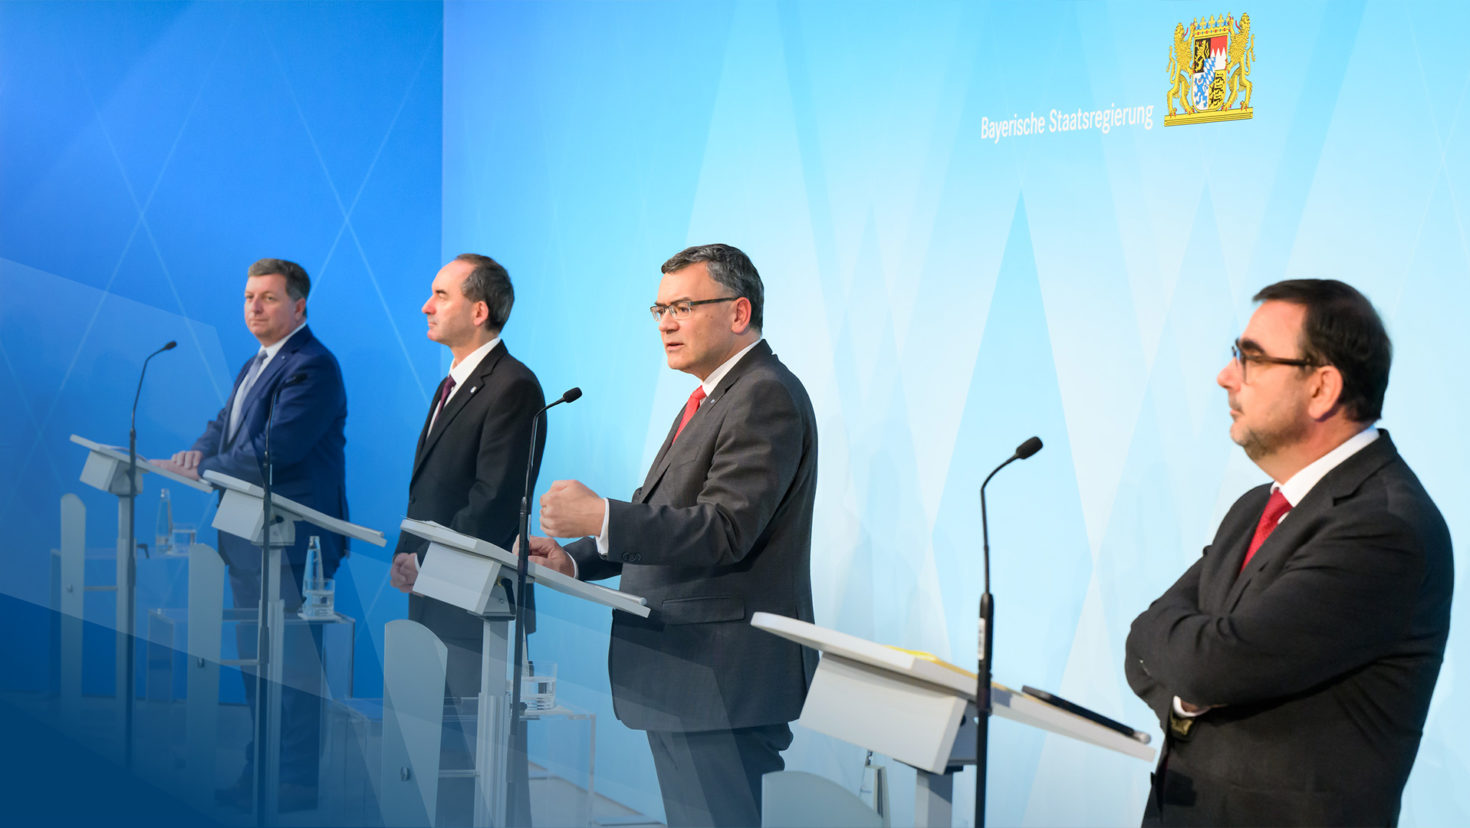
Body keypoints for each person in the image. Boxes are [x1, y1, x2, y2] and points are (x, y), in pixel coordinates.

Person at [1125, 279, 1453, 826]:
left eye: (1251, 359)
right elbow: (1143, 638)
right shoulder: (1256, 507)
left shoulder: (1384, 528)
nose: (1226, 376)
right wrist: (1186, 696)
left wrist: (1197, 673)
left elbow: (1213, 662)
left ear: (1322, 388)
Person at [527, 243, 819, 828]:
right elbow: (661, 511)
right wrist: (574, 559)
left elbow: (723, 528)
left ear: (738, 314)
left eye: (682, 306)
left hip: (720, 678)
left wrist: (602, 516)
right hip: (689, 674)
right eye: (659, 309)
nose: (665, 323)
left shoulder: (764, 394)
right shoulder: (713, 396)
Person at [153, 257, 348, 812]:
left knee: (291, 668)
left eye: (266, 297)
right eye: (247, 298)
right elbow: (227, 425)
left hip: (293, 544)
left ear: (298, 306)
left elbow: (273, 450)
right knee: (257, 664)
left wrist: (206, 467)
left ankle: (292, 781)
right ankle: (261, 769)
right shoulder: (257, 362)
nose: (254, 307)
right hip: (247, 537)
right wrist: (199, 451)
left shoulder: (313, 366)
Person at [389, 253, 546, 697]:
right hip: (431, 587)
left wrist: (426, 559)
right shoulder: (452, 383)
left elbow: (494, 497)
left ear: (479, 311)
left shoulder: (513, 385)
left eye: (441, 295)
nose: (426, 306)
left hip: (476, 598)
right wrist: (408, 553)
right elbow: (432, 487)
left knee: (470, 747)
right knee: (429, 748)